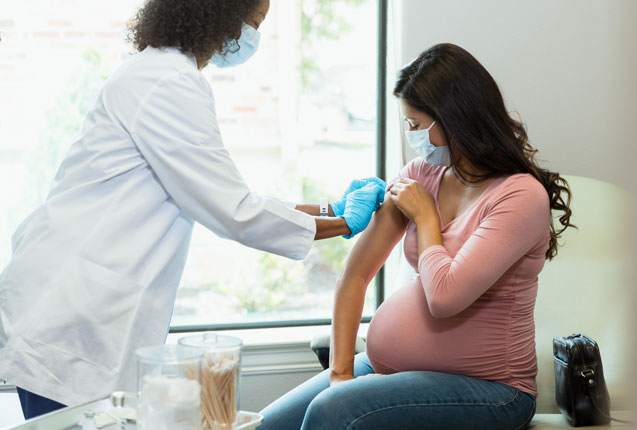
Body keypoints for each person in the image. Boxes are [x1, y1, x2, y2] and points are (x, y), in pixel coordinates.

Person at [0, 0, 384, 419]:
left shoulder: (157, 73)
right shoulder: (168, 82)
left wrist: (328, 208)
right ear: (218, 15)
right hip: (71, 318)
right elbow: (233, 210)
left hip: (78, 308)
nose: (251, 37)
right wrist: (344, 222)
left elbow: (222, 192)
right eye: (254, 24)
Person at [258, 43, 575, 430]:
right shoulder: (420, 173)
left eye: (415, 124)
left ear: (454, 119)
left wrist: (426, 216)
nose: (412, 137)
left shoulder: (520, 196)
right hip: (386, 367)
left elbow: (444, 297)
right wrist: (341, 374)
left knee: (333, 412)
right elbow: (354, 276)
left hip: (491, 390)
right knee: (263, 426)